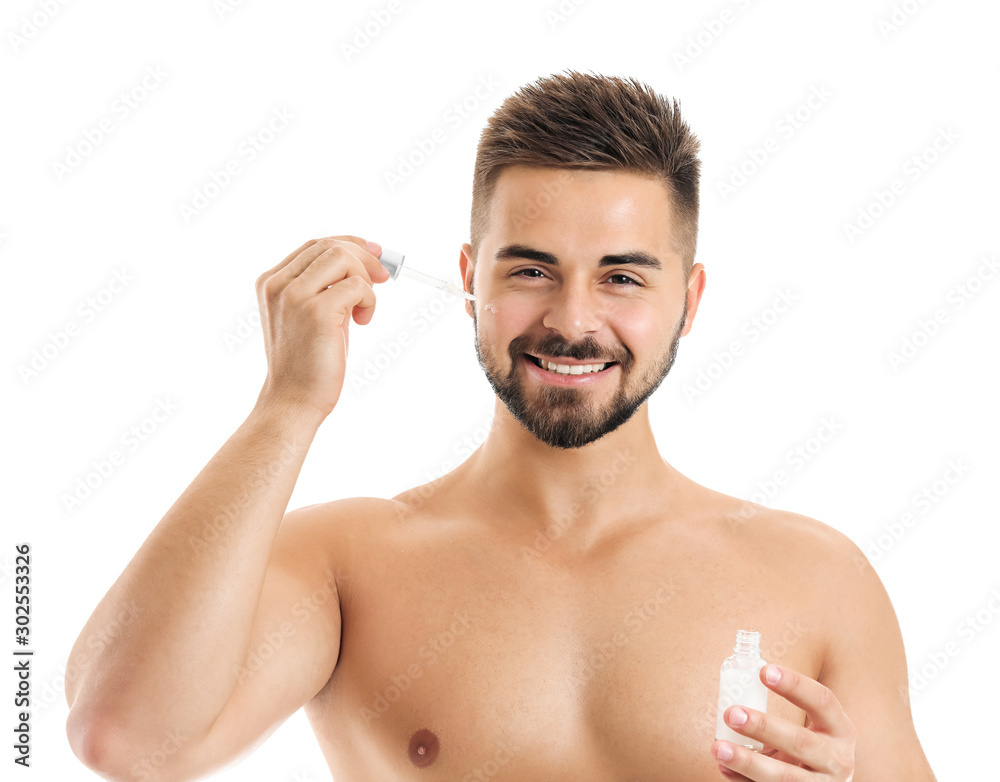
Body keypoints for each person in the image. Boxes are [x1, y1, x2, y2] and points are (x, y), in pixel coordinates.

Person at [65, 69, 937, 781]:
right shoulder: (347, 566)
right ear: (469, 277)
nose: (573, 319)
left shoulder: (818, 579)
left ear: (690, 299)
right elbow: (123, 739)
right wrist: (286, 406)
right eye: (531, 269)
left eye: (623, 278)